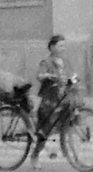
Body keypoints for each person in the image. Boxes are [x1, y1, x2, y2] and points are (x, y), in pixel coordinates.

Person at [33, 34, 68, 162]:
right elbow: (39, 75)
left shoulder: (62, 61)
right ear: (52, 47)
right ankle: (35, 156)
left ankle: (64, 148)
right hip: (48, 99)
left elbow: (66, 75)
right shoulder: (46, 61)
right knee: (44, 131)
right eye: (60, 46)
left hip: (60, 96)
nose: (63, 48)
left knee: (65, 122)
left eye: (64, 46)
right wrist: (48, 75)